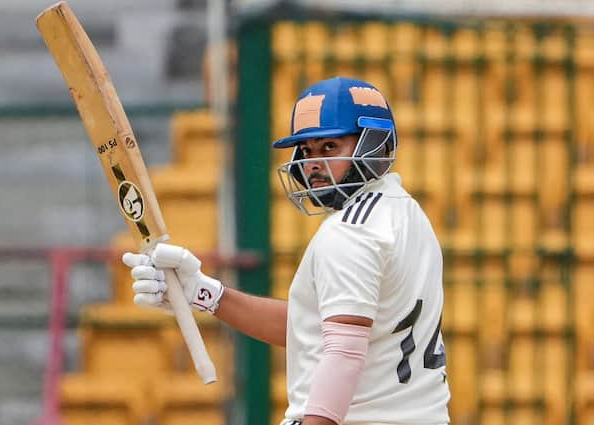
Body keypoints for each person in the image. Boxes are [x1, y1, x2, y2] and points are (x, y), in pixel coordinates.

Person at [123, 77, 451, 425]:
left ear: (372, 144)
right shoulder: (406, 213)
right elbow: (312, 328)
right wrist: (204, 293)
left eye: (329, 147)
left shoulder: (350, 233)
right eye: (307, 151)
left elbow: (343, 353)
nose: (312, 164)